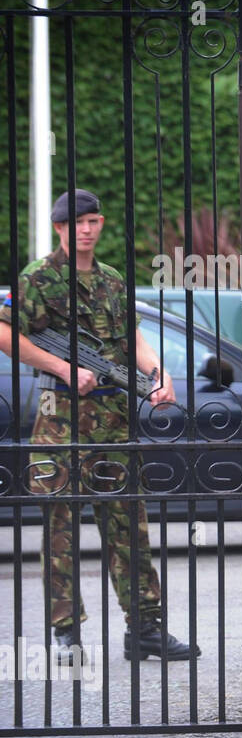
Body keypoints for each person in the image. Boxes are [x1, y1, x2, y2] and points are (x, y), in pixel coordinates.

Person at [0, 188, 199, 661]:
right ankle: (66, 631)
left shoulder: (111, 279)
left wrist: (158, 374)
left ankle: (145, 628)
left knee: (130, 525)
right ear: (60, 229)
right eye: (76, 224)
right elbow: (6, 333)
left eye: (92, 222)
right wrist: (63, 367)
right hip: (62, 422)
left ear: (101, 224)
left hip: (113, 422)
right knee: (61, 529)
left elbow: (133, 336)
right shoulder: (39, 278)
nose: (85, 230)